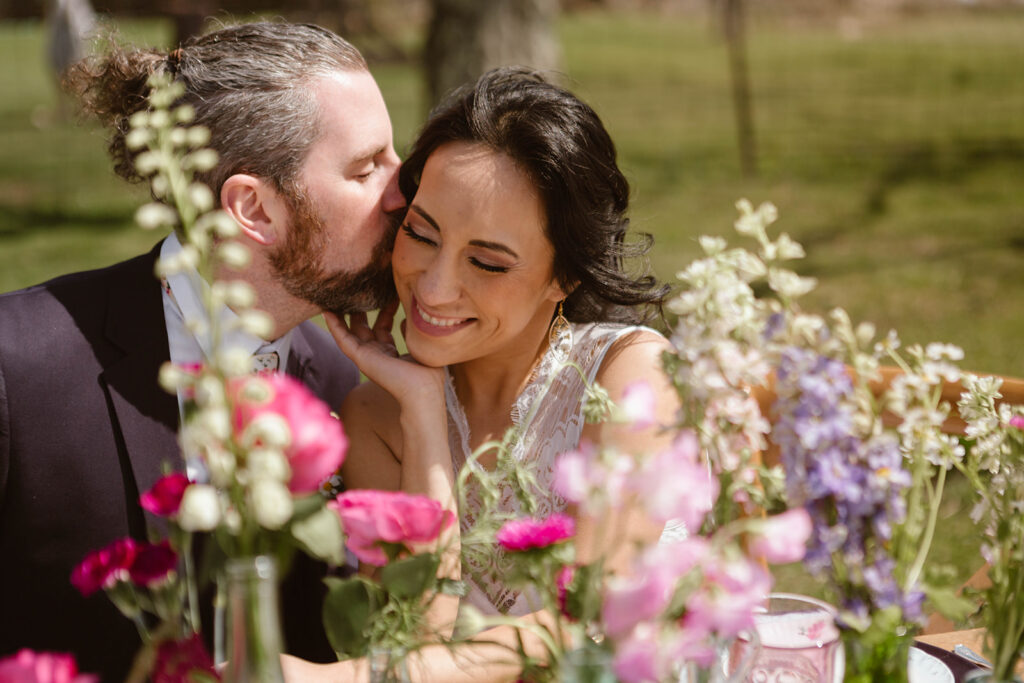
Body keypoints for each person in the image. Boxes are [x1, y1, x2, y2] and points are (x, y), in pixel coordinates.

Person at [0, 21, 404, 681]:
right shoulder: (18, 370)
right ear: (255, 209)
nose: (403, 190)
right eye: (368, 167)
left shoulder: (348, 390)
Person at [300, 67, 680, 682]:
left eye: (486, 262)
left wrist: (336, 680)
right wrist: (423, 416)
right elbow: (413, 637)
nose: (435, 286)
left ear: (565, 278)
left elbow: (590, 617)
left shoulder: (630, 378)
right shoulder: (376, 417)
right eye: (421, 234)